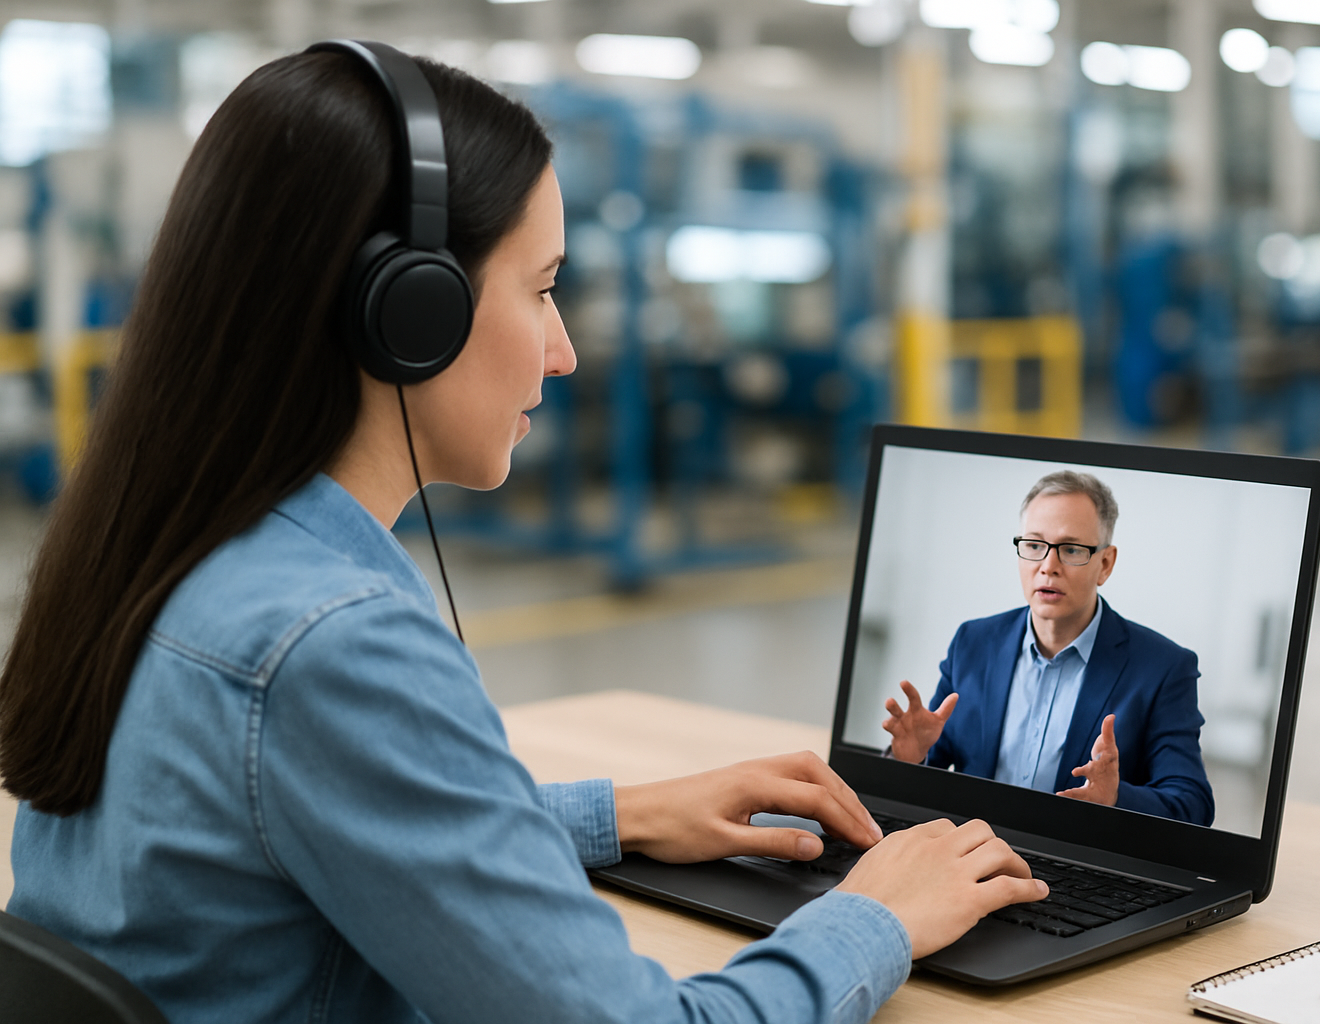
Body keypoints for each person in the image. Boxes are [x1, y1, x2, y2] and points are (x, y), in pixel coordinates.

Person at [0, 48, 1048, 1024]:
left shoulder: (176, 551)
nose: (564, 353)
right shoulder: (331, 643)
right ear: (410, 313)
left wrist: (620, 813)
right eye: (543, 290)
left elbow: (306, 823)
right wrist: (880, 913)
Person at [882, 471, 1215, 826]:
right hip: (968, 857)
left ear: (1105, 564)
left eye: (1071, 549)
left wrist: (1115, 798)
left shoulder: (1163, 668)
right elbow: (933, 767)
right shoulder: (973, 643)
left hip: (1079, 864)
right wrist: (910, 759)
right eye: (1035, 545)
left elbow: (1192, 805)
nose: (1048, 567)